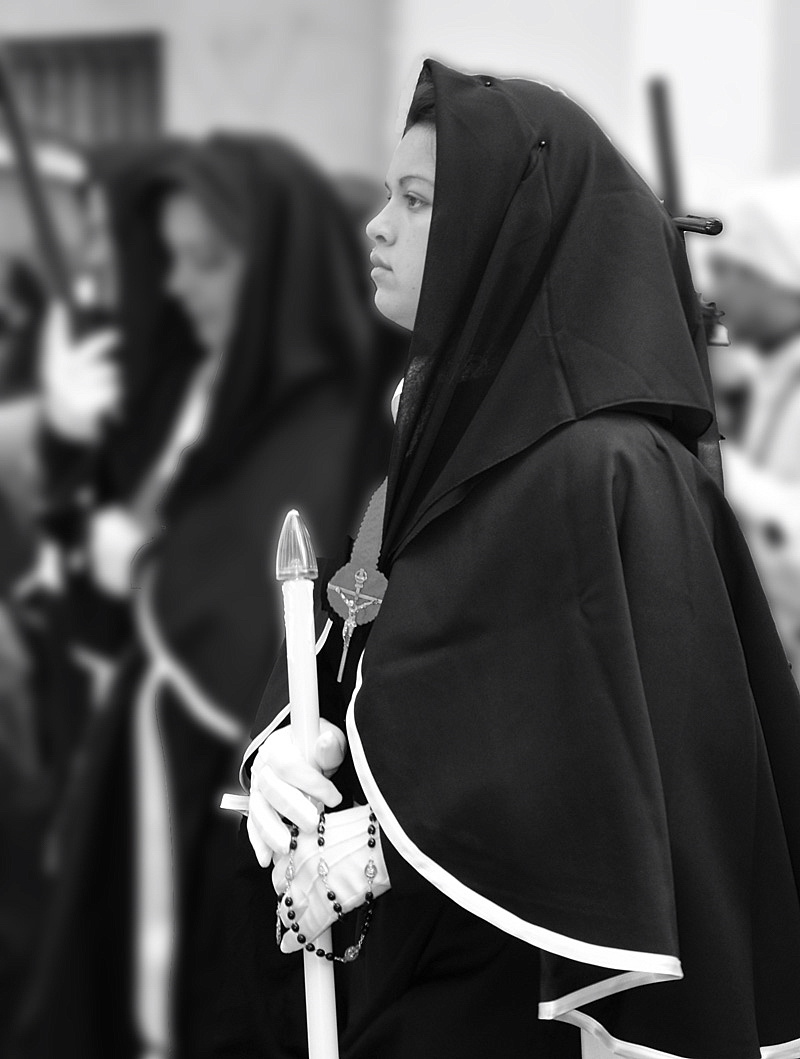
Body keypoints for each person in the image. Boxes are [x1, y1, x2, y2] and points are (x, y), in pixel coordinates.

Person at [236, 61, 800, 1058]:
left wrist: (373, 778)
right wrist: (287, 746)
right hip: (408, 974)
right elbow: (377, 653)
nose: (377, 228)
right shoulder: (447, 437)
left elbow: (630, 795)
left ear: (502, 234)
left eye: (415, 202)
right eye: (387, 195)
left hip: (530, 1006)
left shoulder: (606, 470)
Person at [17, 134, 378, 1059]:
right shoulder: (201, 391)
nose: (181, 285)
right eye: (171, 258)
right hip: (144, 786)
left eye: (208, 262)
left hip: (226, 817)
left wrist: (140, 574)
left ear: (278, 275)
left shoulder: (335, 430)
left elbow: (256, 637)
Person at [705, 175, 800, 687]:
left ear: (775, 274)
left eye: (729, 271)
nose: (717, 293)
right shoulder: (766, 378)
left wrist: (710, 470)